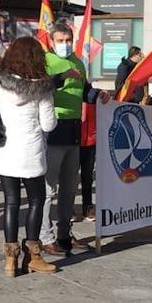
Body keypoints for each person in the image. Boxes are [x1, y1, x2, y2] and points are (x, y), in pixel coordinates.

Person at [0, 36, 59, 276]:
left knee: (11, 202)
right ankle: (33, 255)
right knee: (36, 200)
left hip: (5, 150)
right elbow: (49, 125)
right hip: (30, 153)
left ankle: (10, 260)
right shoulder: (42, 88)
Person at [41, 22, 105, 256]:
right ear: (51, 41)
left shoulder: (78, 62)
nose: (65, 45)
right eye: (60, 40)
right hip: (52, 128)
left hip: (74, 130)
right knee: (48, 189)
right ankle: (44, 236)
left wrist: (98, 95)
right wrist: (61, 76)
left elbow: (84, 89)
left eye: (68, 40)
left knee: (70, 188)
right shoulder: (45, 62)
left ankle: (65, 235)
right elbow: (39, 88)